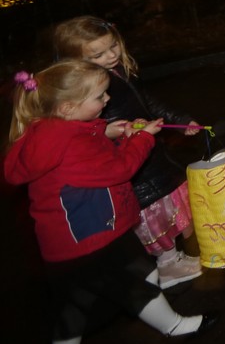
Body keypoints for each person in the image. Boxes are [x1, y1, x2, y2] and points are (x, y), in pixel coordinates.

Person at [5, 62, 213, 344]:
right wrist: (141, 139)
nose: (107, 100)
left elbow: (85, 150)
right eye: (99, 96)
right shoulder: (70, 142)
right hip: (91, 237)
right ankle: (176, 326)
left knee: (75, 302)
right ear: (67, 107)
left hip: (72, 239)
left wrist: (108, 131)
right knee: (134, 282)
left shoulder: (51, 130)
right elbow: (119, 169)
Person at [53, 17, 203, 289]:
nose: (111, 56)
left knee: (168, 201)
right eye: (98, 55)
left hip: (147, 149)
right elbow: (81, 132)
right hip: (129, 160)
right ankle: (167, 265)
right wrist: (112, 133)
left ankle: (171, 259)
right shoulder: (83, 91)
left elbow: (147, 101)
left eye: (113, 46)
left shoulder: (119, 70)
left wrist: (179, 120)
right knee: (153, 212)